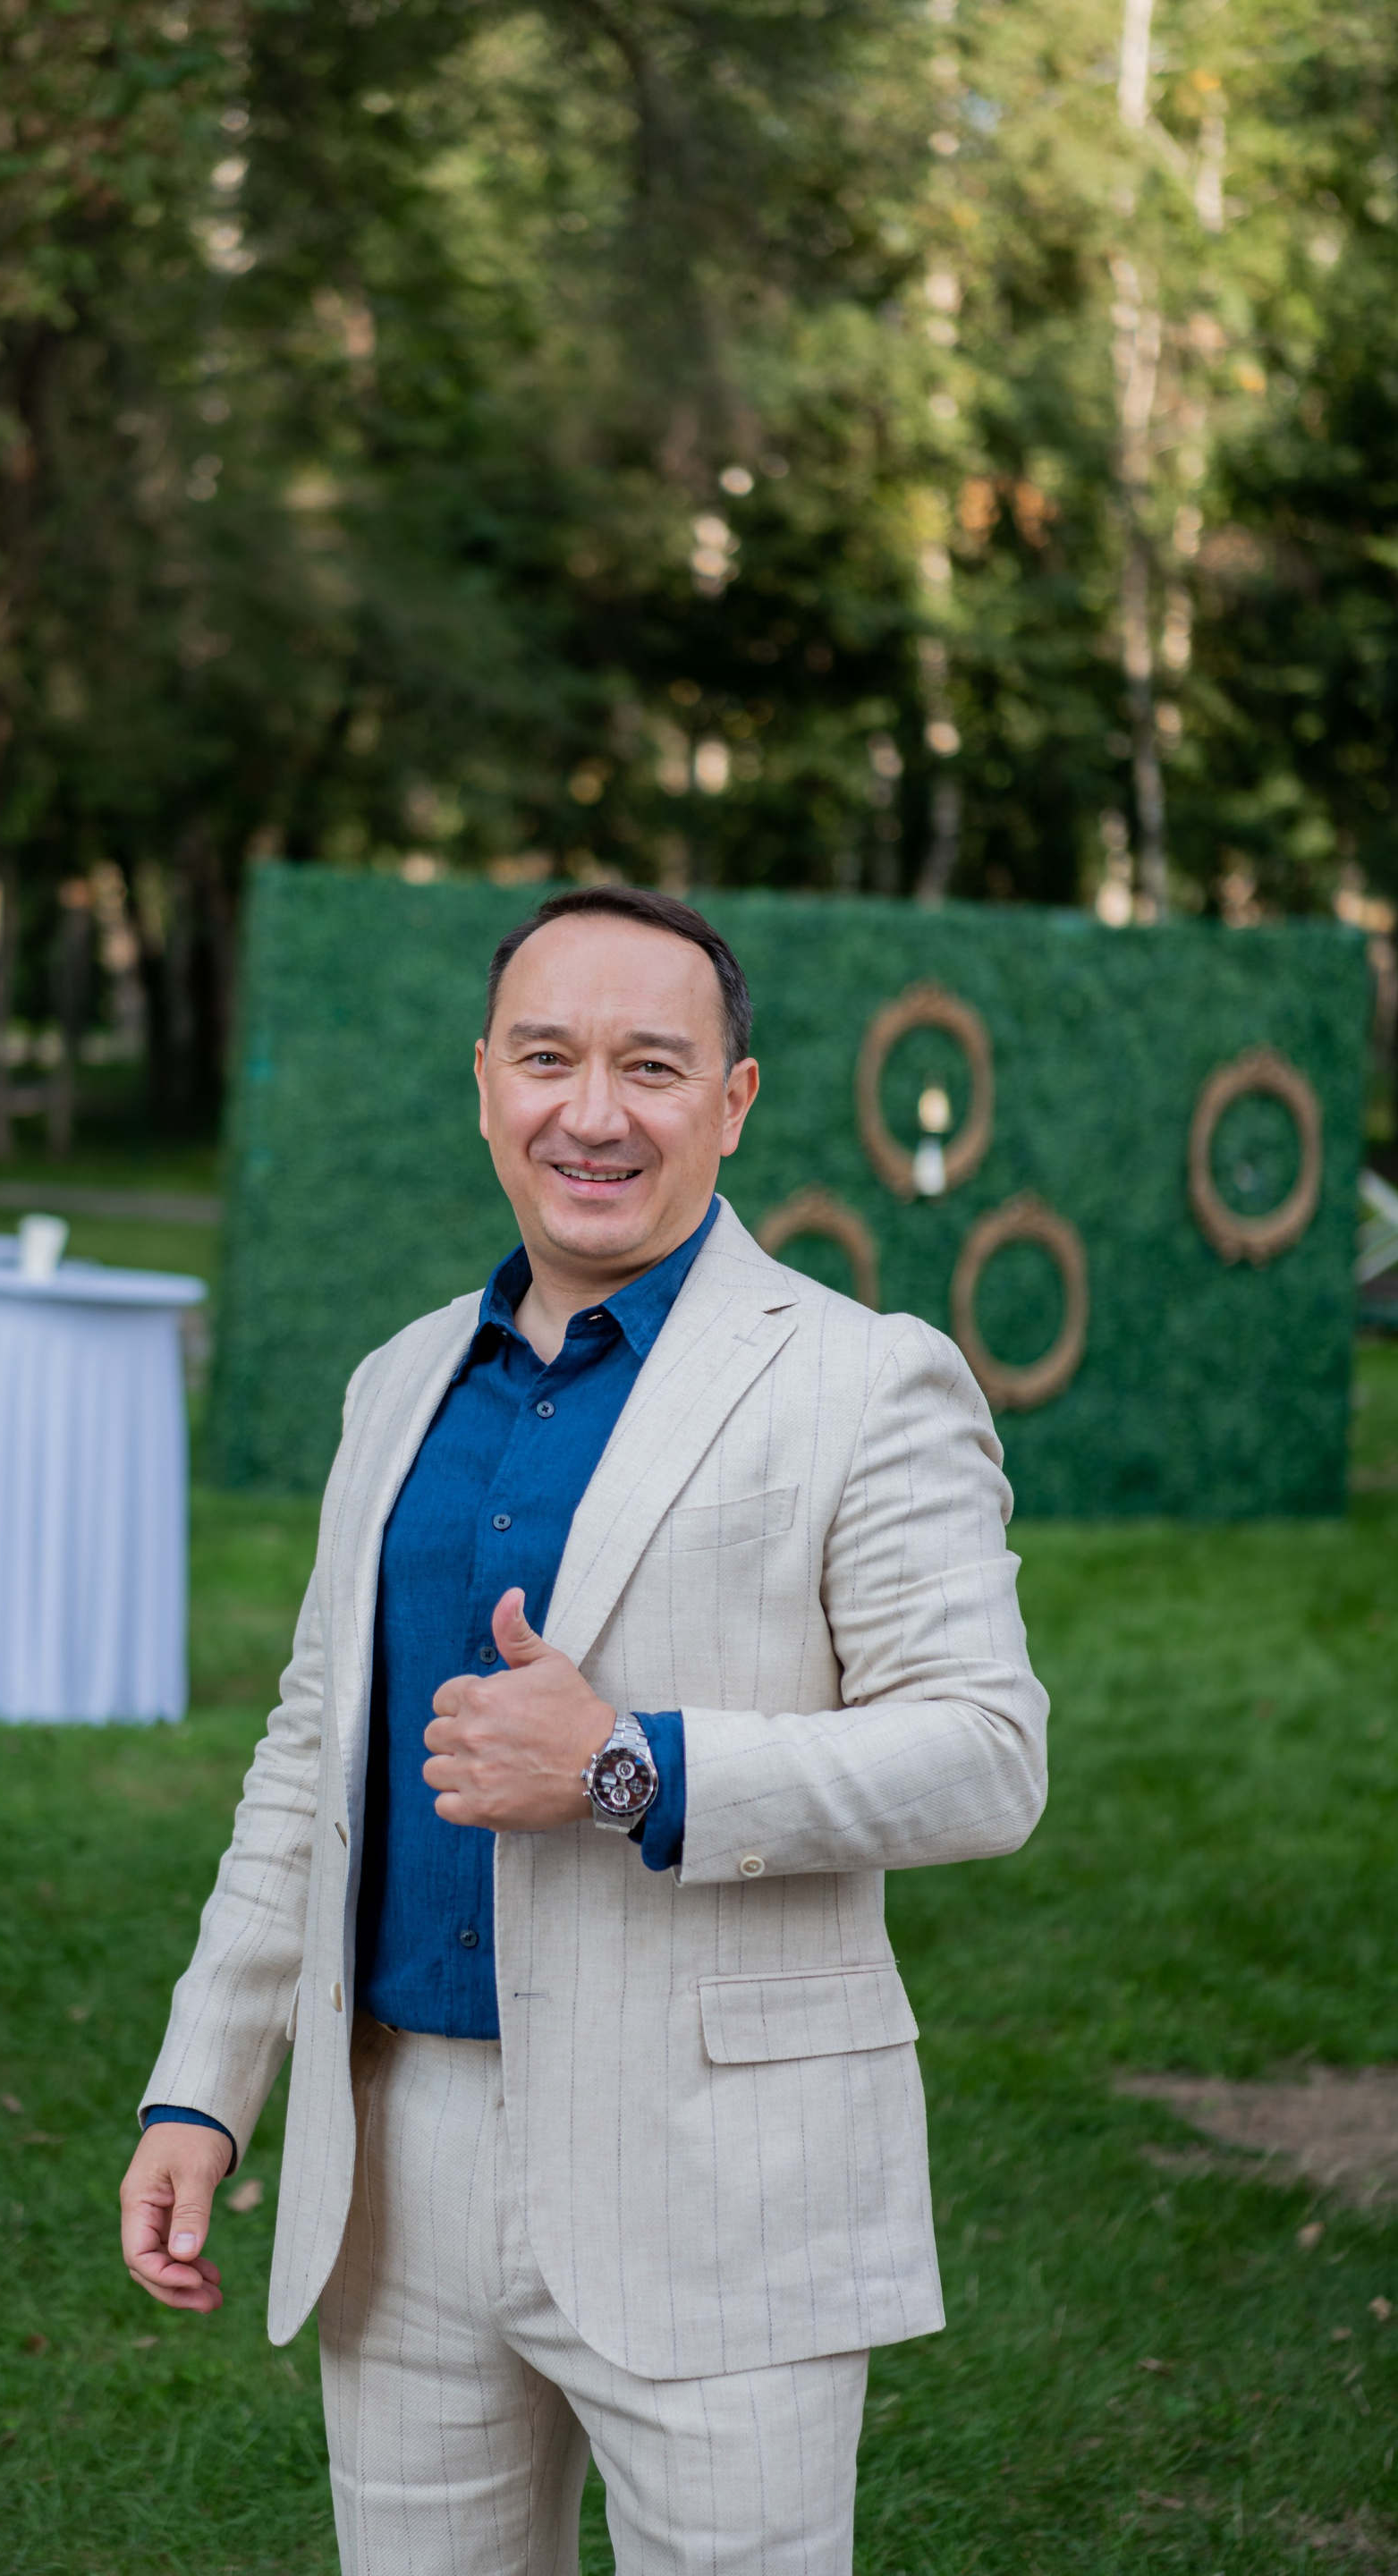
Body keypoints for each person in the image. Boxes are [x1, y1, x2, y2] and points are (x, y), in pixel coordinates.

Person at [120, 886, 1047, 2575]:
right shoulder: (397, 1384)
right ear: (485, 1083)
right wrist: (202, 2089)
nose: (593, 1113)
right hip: (396, 2164)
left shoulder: (863, 1380)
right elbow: (313, 1757)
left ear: (733, 1101)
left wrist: (633, 1769)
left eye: (652, 1067)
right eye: (547, 1059)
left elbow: (986, 1753)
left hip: (718, 2171)